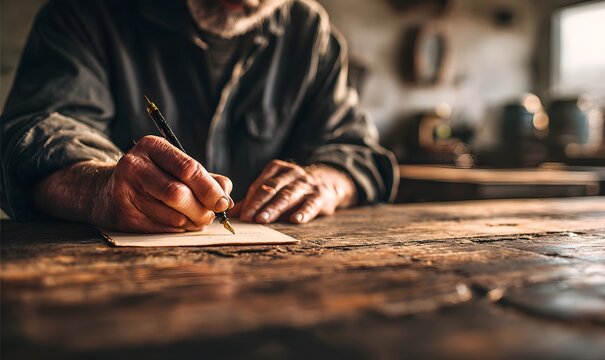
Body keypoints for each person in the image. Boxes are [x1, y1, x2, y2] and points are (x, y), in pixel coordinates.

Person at [0, 0, 398, 233]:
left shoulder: (309, 32)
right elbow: (31, 138)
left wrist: (325, 181)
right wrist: (100, 190)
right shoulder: (85, 13)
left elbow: (358, 152)